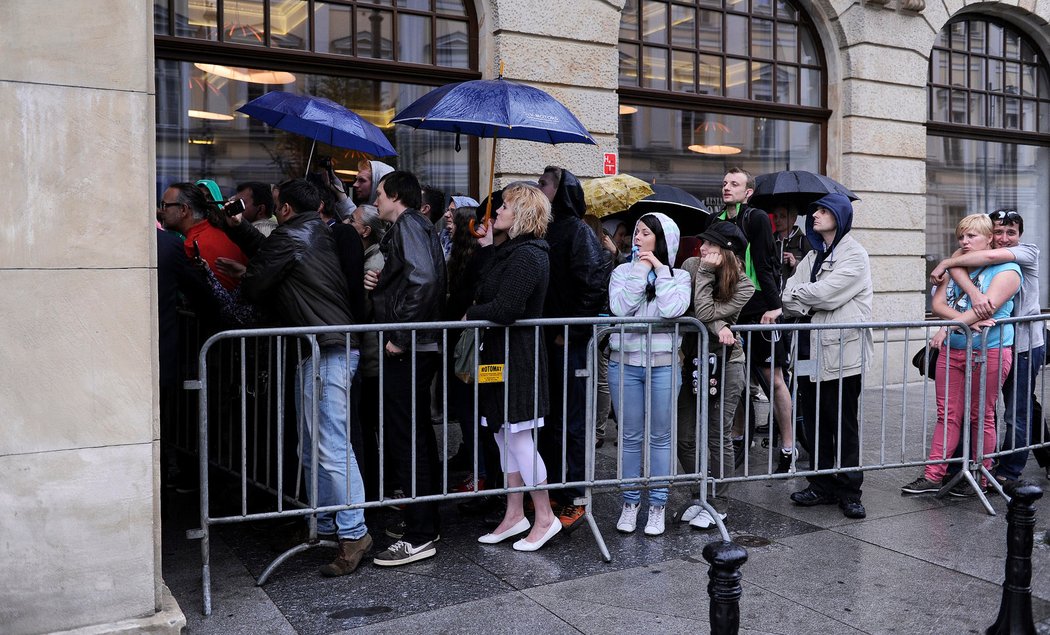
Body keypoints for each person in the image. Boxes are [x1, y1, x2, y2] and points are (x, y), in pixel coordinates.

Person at [222, 178, 372, 576]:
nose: (273, 211)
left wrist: (244, 271)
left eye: (274, 205)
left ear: (286, 209)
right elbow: (272, 255)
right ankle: (323, 523)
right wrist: (242, 230)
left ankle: (354, 531)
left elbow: (256, 284)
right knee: (312, 446)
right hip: (321, 348)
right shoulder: (312, 230)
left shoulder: (293, 236)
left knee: (331, 446)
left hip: (328, 349)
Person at [467, 183, 561, 551]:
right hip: (498, 356)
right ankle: (513, 515)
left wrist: (470, 314)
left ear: (521, 213)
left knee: (519, 435)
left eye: (505, 206)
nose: (497, 212)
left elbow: (506, 309)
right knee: (502, 434)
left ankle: (544, 517)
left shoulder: (529, 255)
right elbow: (487, 291)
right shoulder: (510, 251)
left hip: (518, 357)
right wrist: (489, 248)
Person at [902, 213, 1021, 496]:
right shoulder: (958, 264)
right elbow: (938, 304)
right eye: (962, 237)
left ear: (990, 238)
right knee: (948, 415)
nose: (965, 242)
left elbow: (988, 307)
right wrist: (966, 321)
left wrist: (960, 321)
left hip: (990, 350)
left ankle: (981, 476)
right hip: (953, 350)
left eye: (972, 236)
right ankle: (933, 475)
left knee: (982, 415)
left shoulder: (1008, 269)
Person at [929, 209, 1043, 493]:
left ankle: (1006, 472)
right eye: (1000, 232)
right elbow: (959, 288)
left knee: (1017, 410)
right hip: (991, 339)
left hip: (1025, 343)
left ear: (1020, 235)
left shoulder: (1025, 253)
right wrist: (949, 326)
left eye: (1011, 233)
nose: (1005, 239)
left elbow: (989, 258)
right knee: (989, 408)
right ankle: (966, 465)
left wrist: (946, 260)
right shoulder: (970, 257)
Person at [367, 171, 447, 566]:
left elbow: (424, 279)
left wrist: (400, 334)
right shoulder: (415, 227)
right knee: (413, 434)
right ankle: (424, 522)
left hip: (409, 349)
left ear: (396, 196)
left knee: (407, 436)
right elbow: (415, 278)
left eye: (379, 194)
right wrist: (383, 282)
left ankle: (420, 533)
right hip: (416, 346)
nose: (375, 200)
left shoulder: (407, 225)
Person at [781, 193, 873, 519]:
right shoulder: (811, 256)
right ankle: (821, 484)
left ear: (839, 215)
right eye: (815, 211)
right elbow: (787, 294)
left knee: (843, 422)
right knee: (816, 421)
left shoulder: (855, 255)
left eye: (822, 210)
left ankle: (850, 490)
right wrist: (800, 297)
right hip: (809, 349)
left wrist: (800, 297)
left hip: (842, 351)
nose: (815, 215)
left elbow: (827, 295)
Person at [607, 213, 691, 536]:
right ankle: (630, 503)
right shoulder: (621, 273)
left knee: (660, 437)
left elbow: (673, 310)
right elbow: (620, 307)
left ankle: (658, 504)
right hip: (624, 364)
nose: (638, 238)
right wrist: (640, 270)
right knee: (628, 436)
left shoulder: (678, 276)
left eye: (645, 233)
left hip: (664, 366)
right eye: (637, 232)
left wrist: (658, 269)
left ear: (663, 240)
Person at [536, 165, 608, 529]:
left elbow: (594, 284)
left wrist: (572, 331)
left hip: (567, 342)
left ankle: (575, 495)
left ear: (560, 191)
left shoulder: (578, 231)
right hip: (547, 341)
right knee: (549, 419)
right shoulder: (543, 228)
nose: (538, 187)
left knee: (573, 420)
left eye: (543, 183)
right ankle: (553, 488)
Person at [717, 169, 796, 474]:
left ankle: (787, 446)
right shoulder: (718, 220)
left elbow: (766, 263)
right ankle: (739, 438)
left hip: (761, 308)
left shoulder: (757, 218)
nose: (727, 187)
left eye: (734, 184)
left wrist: (776, 307)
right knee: (734, 380)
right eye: (724, 183)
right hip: (730, 310)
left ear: (748, 191)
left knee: (773, 380)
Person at [677, 221, 754, 529]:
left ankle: (718, 503)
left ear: (727, 252)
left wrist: (714, 317)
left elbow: (704, 313)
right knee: (685, 436)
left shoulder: (744, 285)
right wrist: (719, 325)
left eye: (710, 245)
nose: (702, 248)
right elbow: (685, 310)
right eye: (703, 242)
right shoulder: (690, 265)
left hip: (728, 363)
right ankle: (701, 495)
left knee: (717, 434)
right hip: (693, 359)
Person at [348, 204, 389, 501]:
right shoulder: (365, 255)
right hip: (370, 354)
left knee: (368, 424)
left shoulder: (373, 260)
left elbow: (365, 309)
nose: (346, 222)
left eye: (351, 220)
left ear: (365, 230)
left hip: (373, 357)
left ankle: (373, 489)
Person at [156, 182, 248, 291]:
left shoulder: (192, 247)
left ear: (183, 210)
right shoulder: (220, 230)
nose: (161, 211)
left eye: (165, 205)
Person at [583, 214, 617, 448]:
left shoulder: (603, 256)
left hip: (601, 321)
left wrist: (614, 254)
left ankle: (598, 429)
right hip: (593, 320)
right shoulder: (602, 255)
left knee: (601, 379)